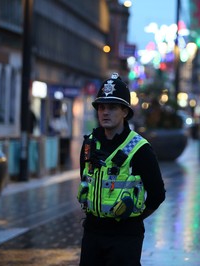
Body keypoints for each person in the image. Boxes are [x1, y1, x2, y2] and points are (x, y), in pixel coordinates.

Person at [77, 73, 166, 266]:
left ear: (125, 111)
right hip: (92, 233)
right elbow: (85, 181)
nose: (105, 112)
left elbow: (157, 194)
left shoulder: (140, 149)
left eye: (112, 107)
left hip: (125, 237)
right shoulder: (89, 145)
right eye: (101, 107)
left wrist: (134, 218)